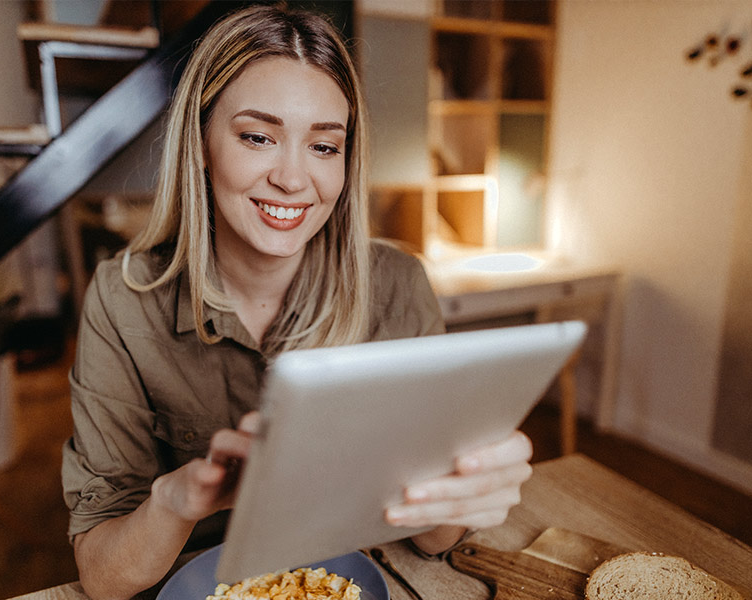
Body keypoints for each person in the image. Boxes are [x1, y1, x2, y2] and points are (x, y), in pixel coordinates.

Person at [61, 5, 533, 600]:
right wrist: (176, 500)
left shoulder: (398, 287)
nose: (292, 178)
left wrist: (464, 485)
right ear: (202, 143)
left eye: (324, 146)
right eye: (258, 137)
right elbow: (103, 579)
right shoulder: (123, 300)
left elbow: (436, 543)